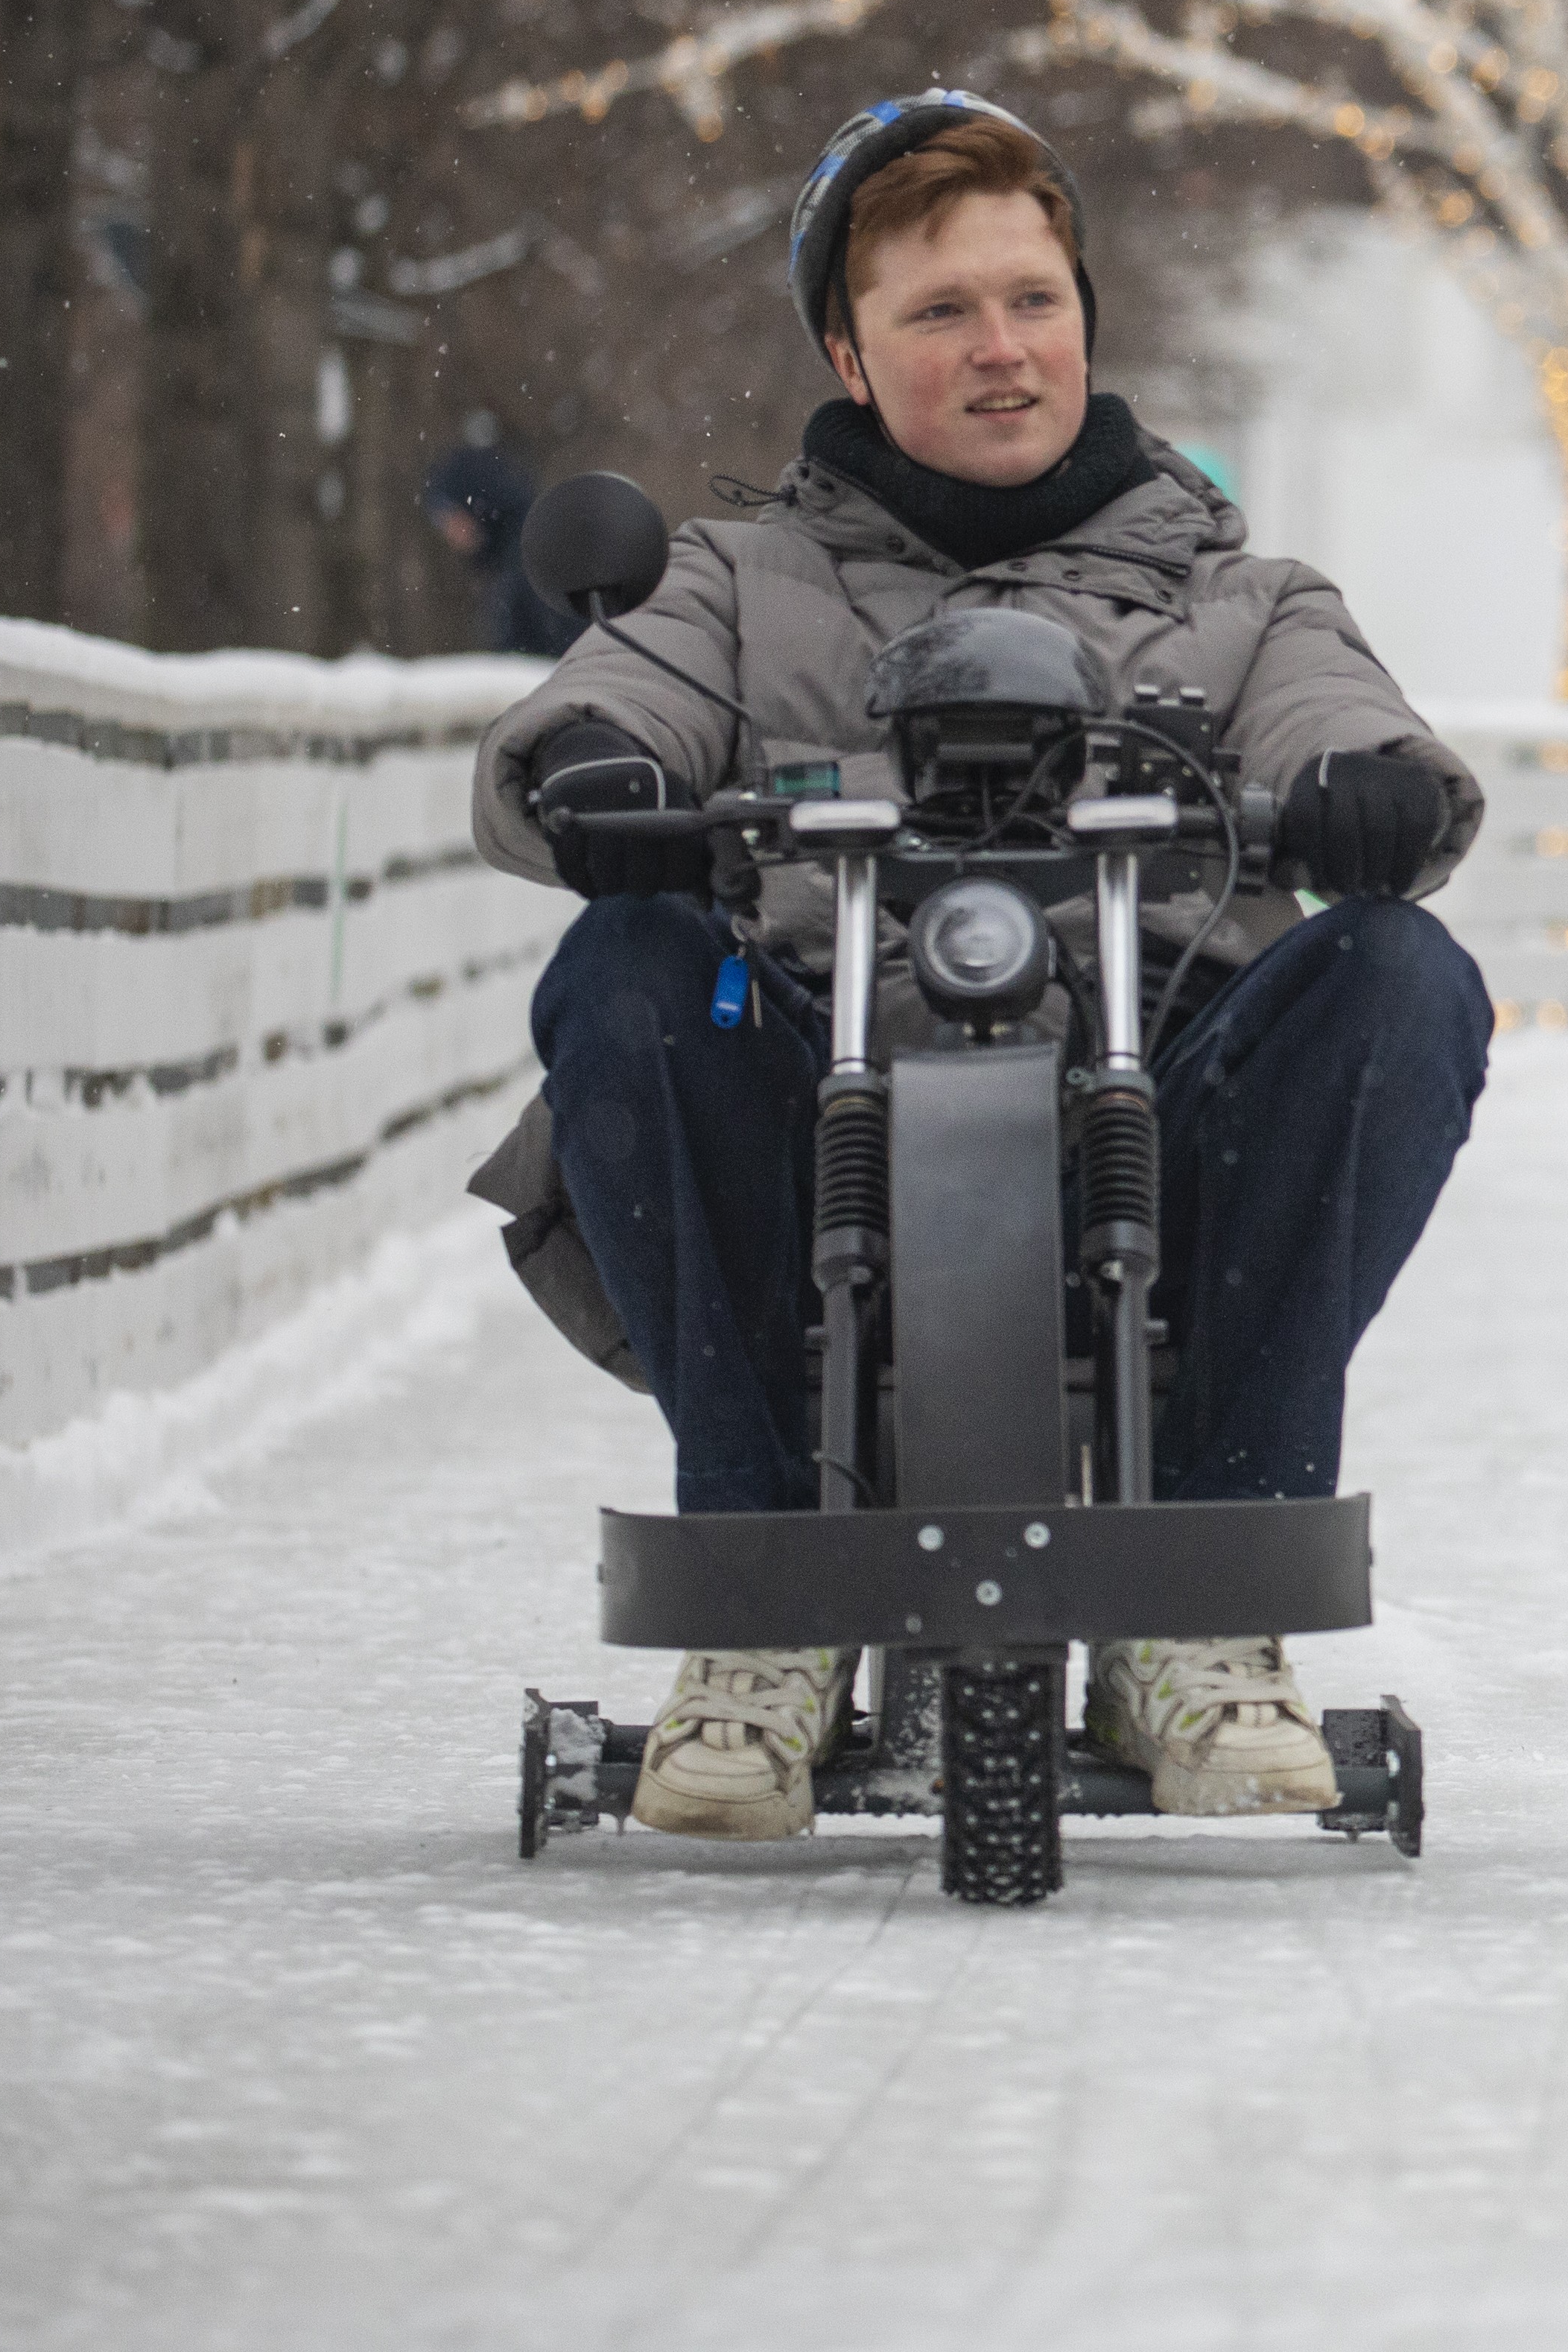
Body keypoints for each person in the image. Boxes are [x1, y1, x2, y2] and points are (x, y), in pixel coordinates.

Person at [464, 91, 1494, 1841]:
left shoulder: (1246, 598)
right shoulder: (731, 580)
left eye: (1034, 301)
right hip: (812, 1072)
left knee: (1402, 973)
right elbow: (606, 694)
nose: (1001, 351)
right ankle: (759, 1605)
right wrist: (595, 763)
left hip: (1161, 1089)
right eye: (940, 313)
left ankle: (1205, 1606)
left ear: (1089, 318)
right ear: (849, 358)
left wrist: (1362, 789)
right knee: (625, 962)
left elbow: (1348, 718)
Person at [421, 428, 574, 657]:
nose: (449, 534)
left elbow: (525, 666)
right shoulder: (527, 554)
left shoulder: (525, 574)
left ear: (476, 510)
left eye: (450, 518)